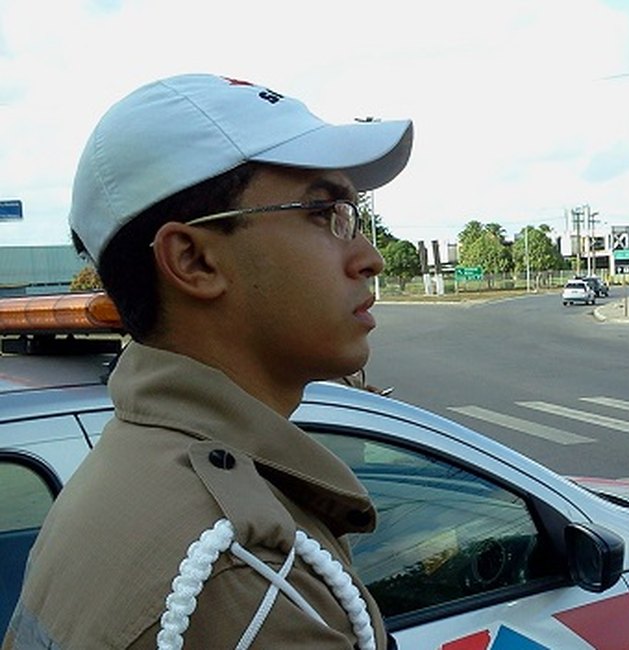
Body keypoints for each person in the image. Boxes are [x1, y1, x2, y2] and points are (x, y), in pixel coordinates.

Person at [3, 74, 413, 649]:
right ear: (193, 260)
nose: (369, 258)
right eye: (324, 214)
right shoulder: (242, 580)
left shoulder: (128, 472)